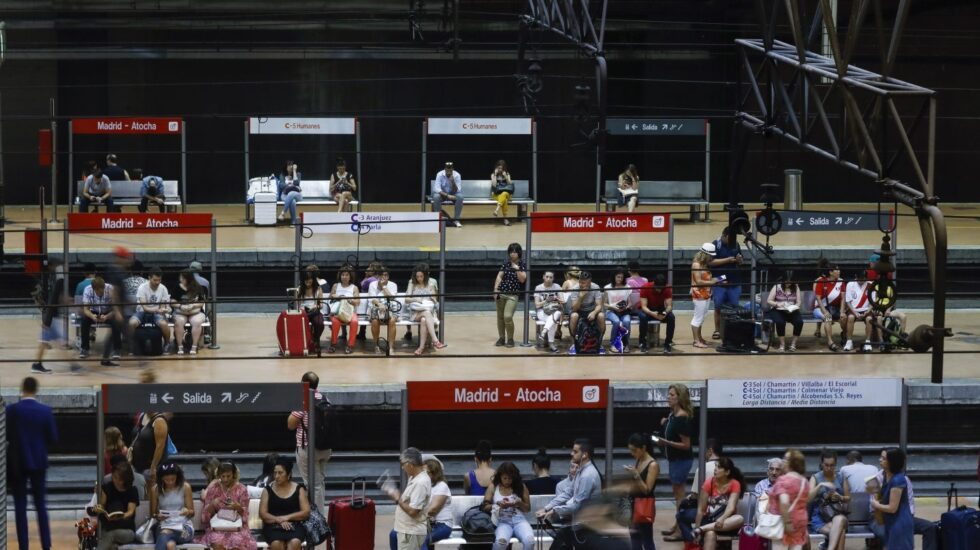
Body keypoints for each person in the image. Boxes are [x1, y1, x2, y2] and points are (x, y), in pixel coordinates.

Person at [7, 377, 57, 550]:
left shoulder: (12, 410)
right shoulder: (45, 411)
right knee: (41, 506)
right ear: (36, 389)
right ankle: (46, 545)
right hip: (39, 461)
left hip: (17, 463)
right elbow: (53, 438)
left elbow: (5, 434)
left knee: (20, 506)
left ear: (22, 389)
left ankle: (23, 546)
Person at [536, 438, 603, 547]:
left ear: (584, 454)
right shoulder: (581, 471)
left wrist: (554, 511)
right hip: (578, 525)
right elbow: (568, 492)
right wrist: (546, 508)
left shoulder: (587, 475)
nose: (571, 454)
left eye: (575, 451)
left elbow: (577, 505)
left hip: (587, 528)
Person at [287, 371, 332, 512]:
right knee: (320, 482)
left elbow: (291, 424)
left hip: (308, 449)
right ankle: (318, 513)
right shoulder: (325, 399)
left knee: (313, 484)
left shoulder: (304, 401)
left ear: (304, 384)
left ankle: (317, 518)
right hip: (325, 448)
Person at [679, 457, 745, 550]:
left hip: (726, 522)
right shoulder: (708, 483)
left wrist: (722, 519)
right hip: (710, 519)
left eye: (719, 467)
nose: (715, 469)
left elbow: (731, 507)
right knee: (710, 534)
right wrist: (697, 527)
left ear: (727, 472)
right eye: (716, 466)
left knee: (739, 519)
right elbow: (701, 509)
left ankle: (702, 529)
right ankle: (701, 529)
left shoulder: (734, 484)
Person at [659, 383, 694, 542]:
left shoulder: (681, 418)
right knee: (677, 495)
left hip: (681, 460)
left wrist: (666, 442)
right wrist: (665, 424)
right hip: (674, 459)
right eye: (668, 394)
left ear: (679, 398)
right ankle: (677, 524)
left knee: (680, 496)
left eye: (672, 395)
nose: (669, 397)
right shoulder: (673, 415)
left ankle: (681, 529)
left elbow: (686, 445)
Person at [200, 461, 257, 550]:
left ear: (234, 475)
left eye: (228, 476)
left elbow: (245, 515)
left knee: (237, 542)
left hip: (237, 528)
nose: (225, 479)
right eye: (223, 476)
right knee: (217, 542)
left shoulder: (241, 489)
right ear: (219, 475)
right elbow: (205, 517)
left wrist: (238, 508)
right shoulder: (214, 488)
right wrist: (212, 504)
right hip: (218, 527)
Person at [386, 447, 432, 550]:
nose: (402, 468)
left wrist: (398, 498)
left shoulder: (420, 483)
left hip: (411, 533)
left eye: (403, 465)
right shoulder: (414, 477)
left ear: (409, 465)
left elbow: (413, 512)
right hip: (407, 531)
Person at [259, 458, 310, 550]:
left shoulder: (299, 489)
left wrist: (287, 518)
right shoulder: (268, 490)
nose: (276, 476)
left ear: (289, 474)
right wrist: (279, 520)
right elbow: (263, 514)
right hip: (273, 525)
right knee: (276, 544)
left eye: (280, 473)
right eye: (275, 472)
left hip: (294, 525)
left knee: (295, 543)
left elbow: (306, 512)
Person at [482, 462, 534, 550]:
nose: (507, 481)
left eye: (510, 478)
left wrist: (519, 503)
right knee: (500, 543)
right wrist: (497, 505)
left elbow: (527, 509)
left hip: (519, 521)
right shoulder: (494, 487)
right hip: (502, 521)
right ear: (500, 476)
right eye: (504, 478)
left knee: (530, 541)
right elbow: (484, 506)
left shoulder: (521, 487)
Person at [31, 260, 71, 374]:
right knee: (60, 342)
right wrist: (47, 321)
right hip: (52, 318)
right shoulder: (58, 281)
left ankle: (36, 364)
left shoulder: (52, 280)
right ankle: (73, 366)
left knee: (45, 342)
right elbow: (54, 300)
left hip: (50, 316)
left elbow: (56, 298)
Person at [91, 458, 139, 550]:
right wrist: (99, 504)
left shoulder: (132, 491)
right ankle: (114, 547)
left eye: (118, 478)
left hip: (126, 530)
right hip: (109, 527)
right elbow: (102, 505)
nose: (115, 479)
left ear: (125, 479)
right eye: (114, 476)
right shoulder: (107, 488)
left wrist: (121, 516)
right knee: (109, 541)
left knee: (111, 535)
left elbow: (131, 512)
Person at [871, 448, 914, 550]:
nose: (880, 460)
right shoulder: (886, 478)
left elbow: (892, 508)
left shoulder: (898, 480)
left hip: (900, 523)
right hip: (891, 522)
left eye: (884, 458)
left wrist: (876, 504)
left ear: (892, 462)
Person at [808, 450, 849, 550]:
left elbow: (848, 498)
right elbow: (808, 499)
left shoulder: (841, 477)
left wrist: (840, 497)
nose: (829, 468)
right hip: (820, 518)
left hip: (838, 513)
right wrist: (820, 485)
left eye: (832, 465)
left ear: (835, 464)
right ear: (821, 464)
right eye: (826, 465)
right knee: (840, 532)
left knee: (839, 519)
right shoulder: (815, 477)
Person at [624, 433, 659, 550]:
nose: (632, 454)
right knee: (634, 536)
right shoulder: (639, 459)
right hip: (633, 502)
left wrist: (636, 475)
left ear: (643, 448)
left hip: (644, 506)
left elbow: (646, 490)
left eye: (634, 450)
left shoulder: (653, 465)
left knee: (647, 538)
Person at [150, 462, 195, 550]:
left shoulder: (185, 487)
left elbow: (192, 513)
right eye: (166, 480)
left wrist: (187, 512)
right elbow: (153, 514)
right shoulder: (155, 490)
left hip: (184, 528)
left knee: (165, 536)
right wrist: (158, 516)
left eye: (173, 479)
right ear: (161, 478)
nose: (170, 482)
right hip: (164, 526)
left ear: (177, 477)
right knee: (170, 545)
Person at [771, 449, 810, 550]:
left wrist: (787, 523)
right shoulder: (804, 481)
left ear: (790, 463)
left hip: (783, 522)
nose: (783, 461)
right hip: (800, 522)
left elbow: (784, 502)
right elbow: (806, 501)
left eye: (785, 459)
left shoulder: (783, 480)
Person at [708, 227, 743, 339]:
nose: (731, 241)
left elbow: (741, 262)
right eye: (729, 239)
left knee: (734, 307)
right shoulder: (715, 245)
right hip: (719, 282)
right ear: (724, 236)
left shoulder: (736, 244)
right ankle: (717, 330)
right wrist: (728, 260)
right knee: (718, 306)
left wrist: (739, 260)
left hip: (734, 281)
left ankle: (731, 330)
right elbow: (711, 262)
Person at [127, 267, 172, 353]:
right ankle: (132, 344)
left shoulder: (163, 288)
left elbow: (162, 307)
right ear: (149, 278)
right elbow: (145, 308)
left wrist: (164, 310)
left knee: (164, 325)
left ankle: (167, 343)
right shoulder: (142, 287)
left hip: (157, 313)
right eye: (155, 280)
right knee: (131, 323)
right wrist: (157, 309)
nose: (157, 282)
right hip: (141, 312)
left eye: (159, 280)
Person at [80, 276, 123, 363]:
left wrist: (107, 316)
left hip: (108, 311)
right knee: (84, 320)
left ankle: (117, 349)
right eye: (98, 291)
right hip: (94, 312)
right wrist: (92, 316)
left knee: (116, 322)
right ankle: (85, 348)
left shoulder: (110, 289)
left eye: (102, 290)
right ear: (93, 289)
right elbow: (86, 310)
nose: (101, 293)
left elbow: (116, 308)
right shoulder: (88, 290)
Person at [493, 242, 527, 348]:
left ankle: (510, 339)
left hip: (513, 295)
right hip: (501, 292)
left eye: (515, 252)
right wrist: (495, 289)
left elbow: (522, 279)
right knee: (500, 317)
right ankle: (502, 338)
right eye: (511, 252)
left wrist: (516, 268)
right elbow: (499, 276)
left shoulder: (522, 264)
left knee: (507, 316)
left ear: (519, 253)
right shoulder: (506, 263)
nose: (513, 254)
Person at [406, 263, 445, 355]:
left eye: (421, 276)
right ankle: (436, 341)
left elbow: (435, 302)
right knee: (426, 314)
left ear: (426, 276)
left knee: (424, 320)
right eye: (417, 276)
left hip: (428, 312)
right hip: (415, 313)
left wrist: (433, 297)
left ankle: (421, 348)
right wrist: (416, 299)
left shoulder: (431, 284)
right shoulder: (412, 282)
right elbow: (406, 299)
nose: (419, 278)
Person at [568, 271, 606, 355]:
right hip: (579, 311)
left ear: (589, 282)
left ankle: (599, 343)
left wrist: (594, 312)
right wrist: (581, 297)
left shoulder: (595, 287)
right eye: (580, 282)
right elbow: (574, 309)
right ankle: (573, 344)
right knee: (574, 316)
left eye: (584, 283)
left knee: (601, 316)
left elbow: (599, 305)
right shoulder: (575, 288)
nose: (581, 284)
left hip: (591, 311)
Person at [814, 259, 848, 351]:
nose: (839, 271)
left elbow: (843, 298)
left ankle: (844, 335)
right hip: (820, 308)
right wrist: (824, 312)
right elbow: (818, 299)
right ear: (831, 272)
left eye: (839, 269)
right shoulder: (821, 281)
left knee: (844, 318)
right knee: (828, 318)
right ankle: (830, 342)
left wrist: (841, 312)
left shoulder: (841, 281)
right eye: (836, 270)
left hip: (836, 309)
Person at [766, 270, 804, 352]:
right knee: (780, 322)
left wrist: (795, 307)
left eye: (790, 281)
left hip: (791, 310)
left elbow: (799, 302)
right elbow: (769, 300)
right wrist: (777, 304)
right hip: (778, 309)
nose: (788, 283)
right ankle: (782, 345)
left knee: (799, 322)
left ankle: (793, 344)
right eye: (786, 281)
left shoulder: (796, 287)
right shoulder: (777, 287)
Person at [638, 273, 675, 354]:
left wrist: (665, 313)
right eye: (657, 288)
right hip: (647, 309)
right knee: (642, 317)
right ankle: (642, 343)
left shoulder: (667, 288)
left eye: (661, 288)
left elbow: (669, 306)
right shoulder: (645, 287)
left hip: (660, 309)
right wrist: (653, 314)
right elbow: (643, 306)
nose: (659, 290)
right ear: (654, 283)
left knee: (671, 317)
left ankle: (668, 343)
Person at [691, 244, 719, 348]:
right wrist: (713, 282)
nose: (712, 258)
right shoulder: (696, 265)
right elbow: (698, 281)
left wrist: (715, 281)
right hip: (699, 295)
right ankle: (696, 340)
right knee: (697, 318)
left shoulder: (704, 264)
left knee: (702, 317)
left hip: (706, 294)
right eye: (710, 256)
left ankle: (700, 338)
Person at [173, 270, 207, 355]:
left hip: (195, 312)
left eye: (182, 277)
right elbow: (172, 301)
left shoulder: (198, 287)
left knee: (197, 322)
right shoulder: (176, 287)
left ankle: (194, 346)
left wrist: (193, 306)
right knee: (178, 322)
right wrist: (181, 306)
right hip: (181, 311)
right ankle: (180, 346)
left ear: (187, 279)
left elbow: (201, 302)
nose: (180, 279)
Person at [328, 264, 360, 354]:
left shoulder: (354, 287)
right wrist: (337, 296)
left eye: (347, 275)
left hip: (349, 312)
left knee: (354, 322)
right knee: (335, 321)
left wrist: (349, 300)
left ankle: (350, 345)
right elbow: (330, 297)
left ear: (350, 276)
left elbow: (358, 302)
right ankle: (333, 344)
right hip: (337, 311)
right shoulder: (335, 286)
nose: (344, 277)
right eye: (343, 275)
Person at [131, 411, 170, 484]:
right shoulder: (142, 417)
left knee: (151, 492)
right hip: (137, 466)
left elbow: (160, 446)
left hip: (150, 468)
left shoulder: (159, 421)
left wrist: (153, 467)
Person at [368, 266, 399, 354]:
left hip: (390, 308)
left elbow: (392, 298)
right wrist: (379, 304)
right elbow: (372, 299)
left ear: (388, 276)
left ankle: (391, 347)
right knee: (374, 321)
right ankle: (376, 346)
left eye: (385, 275)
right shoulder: (372, 285)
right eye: (381, 275)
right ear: (377, 276)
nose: (383, 277)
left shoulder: (393, 285)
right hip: (376, 307)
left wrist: (384, 287)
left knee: (392, 320)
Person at [534, 271, 565, 353]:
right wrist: (546, 300)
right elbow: (537, 305)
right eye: (547, 277)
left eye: (551, 277)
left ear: (553, 278)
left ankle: (544, 332)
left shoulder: (557, 287)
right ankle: (551, 344)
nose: (548, 279)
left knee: (556, 314)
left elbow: (563, 301)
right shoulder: (538, 288)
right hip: (542, 311)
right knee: (553, 321)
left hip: (554, 310)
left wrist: (556, 298)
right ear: (543, 277)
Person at [297, 265, 325, 355]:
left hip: (315, 311)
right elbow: (297, 304)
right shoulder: (300, 289)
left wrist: (316, 306)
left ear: (313, 279)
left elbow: (321, 304)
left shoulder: (318, 289)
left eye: (309, 279)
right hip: (303, 312)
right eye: (306, 279)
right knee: (301, 323)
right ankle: (306, 342)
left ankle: (314, 339)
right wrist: (301, 309)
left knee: (319, 323)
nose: (308, 281)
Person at [604, 267, 633, 353]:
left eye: (621, 277)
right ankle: (613, 344)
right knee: (616, 321)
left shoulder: (627, 287)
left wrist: (626, 307)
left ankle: (626, 344)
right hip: (611, 311)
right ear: (614, 277)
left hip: (624, 311)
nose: (620, 279)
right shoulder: (608, 287)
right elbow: (605, 304)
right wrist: (613, 307)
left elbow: (630, 303)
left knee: (627, 321)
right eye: (618, 277)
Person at [844, 270, 874, 352]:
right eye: (859, 279)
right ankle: (849, 341)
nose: (861, 281)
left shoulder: (871, 284)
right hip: (853, 309)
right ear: (856, 277)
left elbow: (873, 302)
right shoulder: (850, 284)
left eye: (863, 279)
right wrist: (855, 312)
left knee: (869, 320)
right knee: (850, 317)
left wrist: (867, 312)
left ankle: (867, 342)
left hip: (866, 310)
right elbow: (848, 301)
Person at [431, 161, 464, 227]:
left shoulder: (457, 175)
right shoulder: (440, 174)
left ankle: (456, 220)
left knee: (460, 197)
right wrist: (447, 196)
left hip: (453, 194)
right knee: (436, 197)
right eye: (447, 169)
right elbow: (437, 189)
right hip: (442, 194)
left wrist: (453, 182)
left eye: (450, 169)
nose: (449, 170)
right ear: (445, 169)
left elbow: (457, 191)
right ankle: (439, 220)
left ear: (452, 169)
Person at [277, 160, 303, 224]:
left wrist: (294, 171)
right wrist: (290, 185)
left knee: (291, 193)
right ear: (286, 167)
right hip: (285, 195)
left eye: (292, 165)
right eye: (288, 165)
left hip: (297, 195)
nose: (290, 167)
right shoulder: (282, 175)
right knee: (292, 201)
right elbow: (281, 185)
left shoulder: (298, 174)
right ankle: (293, 221)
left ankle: (283, 213)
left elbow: (296, 183)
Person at [491, 160, 514, 226]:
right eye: (499, 168)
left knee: (504, 193)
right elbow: (494, 185)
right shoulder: (493, 175)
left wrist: (506, 177)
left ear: (504, 168)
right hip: (496, 194)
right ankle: (505, 219)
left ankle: (497, 210)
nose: (500, 170)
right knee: (505, 200)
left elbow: (510, 184)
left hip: (507, 194)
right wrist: (495, 175)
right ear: (496, 168)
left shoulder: (507, 174)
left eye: (502, 168)